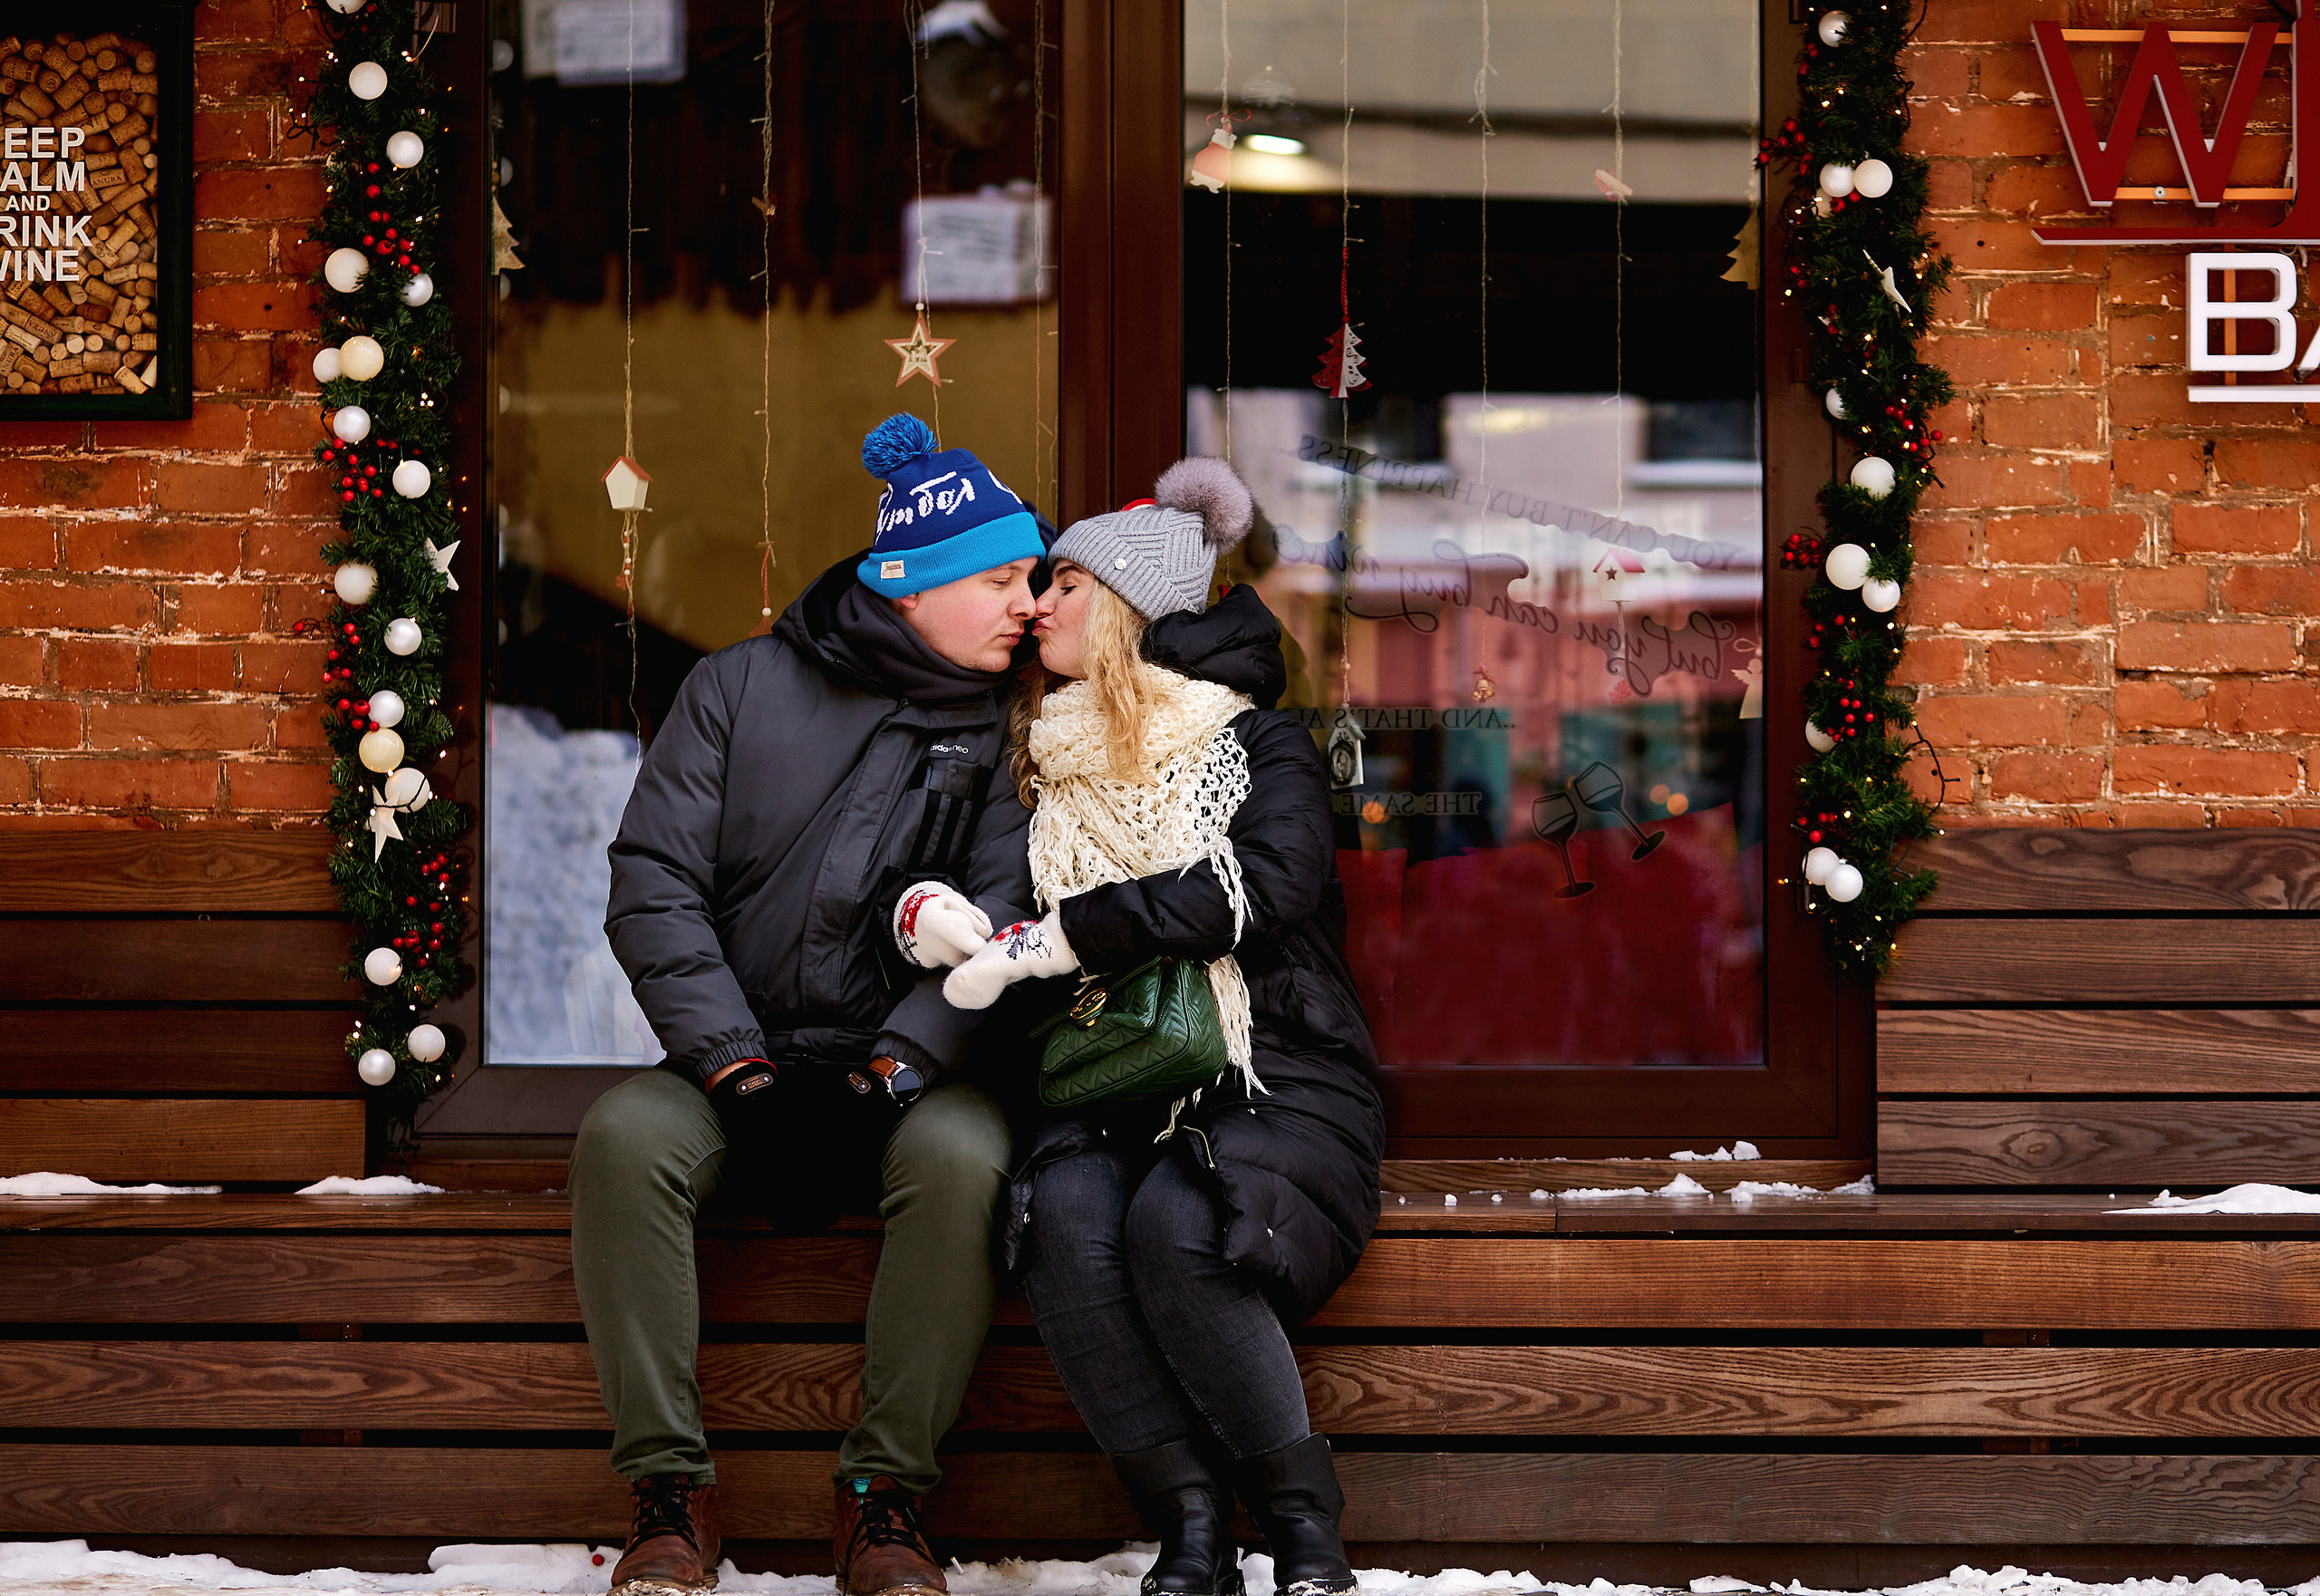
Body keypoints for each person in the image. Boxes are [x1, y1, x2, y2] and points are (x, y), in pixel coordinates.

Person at [573, 413, 1049, 1596]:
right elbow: (652, 886)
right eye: (1000, 578)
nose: (1028, 603)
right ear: (910, 585)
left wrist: (890, 1071)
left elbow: (999, 924)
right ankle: (670, 1493)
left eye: (1034, 578)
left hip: (902, 1077)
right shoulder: (737, 687)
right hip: (734, 1062)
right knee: (624, 1140)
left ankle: (884, 1498)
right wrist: (736, 1069)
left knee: (966, 1156)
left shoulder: (1005, 728)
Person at [942, 459, 1386, 1596]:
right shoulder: (1035, 754)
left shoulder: (1257, 744)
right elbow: (989, 909)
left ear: (1134, 608)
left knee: (1182, 1224)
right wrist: (939, 922)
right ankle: (1189, 1525)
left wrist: (1068, 933)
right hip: (1104, 1073)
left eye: (1069, 585)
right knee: (1068, 1217)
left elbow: (1265, 885)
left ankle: (1301, 1526)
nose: (1038, 602)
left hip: (1271, 1067)